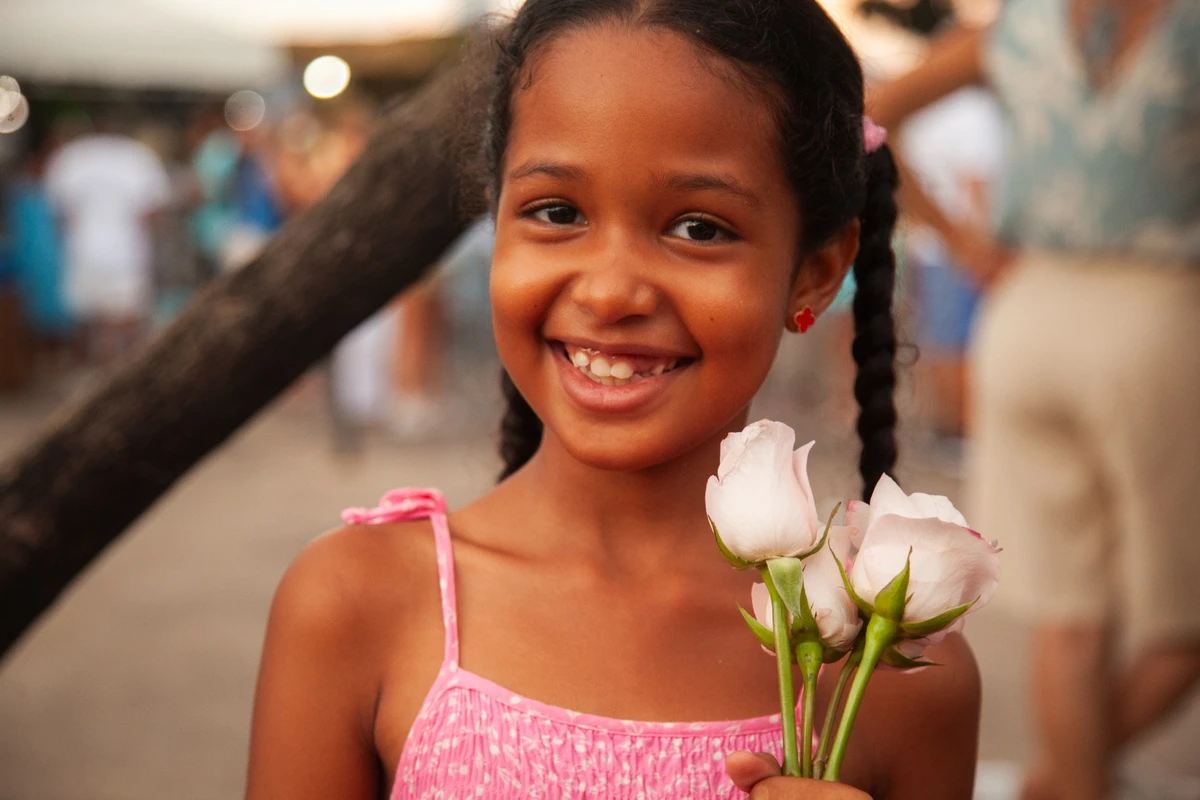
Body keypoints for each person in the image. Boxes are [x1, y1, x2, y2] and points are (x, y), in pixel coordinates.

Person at [245, 1, 983, 797]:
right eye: (557, 213)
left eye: (699, 228)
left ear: (815, 271)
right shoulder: (357, 604)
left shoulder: (894, 667)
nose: (611, 291)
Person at [869, 1, 1200, 798]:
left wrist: (960, 238)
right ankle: (1067, 779)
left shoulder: (1018, 26)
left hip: (1023, 312)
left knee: (1071, 618)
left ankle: (1063, 780)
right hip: (1159, 312)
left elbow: (871, 116)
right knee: (1183, 623)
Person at [44, 117, 170, 365]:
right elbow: (154, 210)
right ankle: (121, 372)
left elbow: (59, 212)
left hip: (84, 250)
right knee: (125, 318)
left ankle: (89, 375)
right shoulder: (138, 157)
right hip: (126, 252)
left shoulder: (71, 157)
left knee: (86, 319)